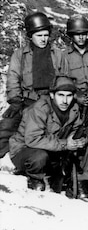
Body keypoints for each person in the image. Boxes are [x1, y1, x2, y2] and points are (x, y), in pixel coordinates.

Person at [8, 76, 88, 198]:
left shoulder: (74, 109)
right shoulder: (39, 108)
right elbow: (33, 139)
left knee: (84, 150)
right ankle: (34, 178)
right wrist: (65, 144)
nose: (65, 101)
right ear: (52, 95)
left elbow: (76, 128)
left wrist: (78, 140)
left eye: (69, 96)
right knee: (39, 157)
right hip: (24, 150)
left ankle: (76, 182)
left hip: (52, 149)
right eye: (61, 95)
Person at [0, 12, 68, 158]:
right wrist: (15, 102)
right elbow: (13, 79)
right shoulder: (20, 55)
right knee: (6, 127)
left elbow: (65, 80)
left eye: (46, 35)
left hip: (51, 103)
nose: (43, 39)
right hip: (27, 102)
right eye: (39, 35)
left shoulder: (58, 54)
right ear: (31, 36)